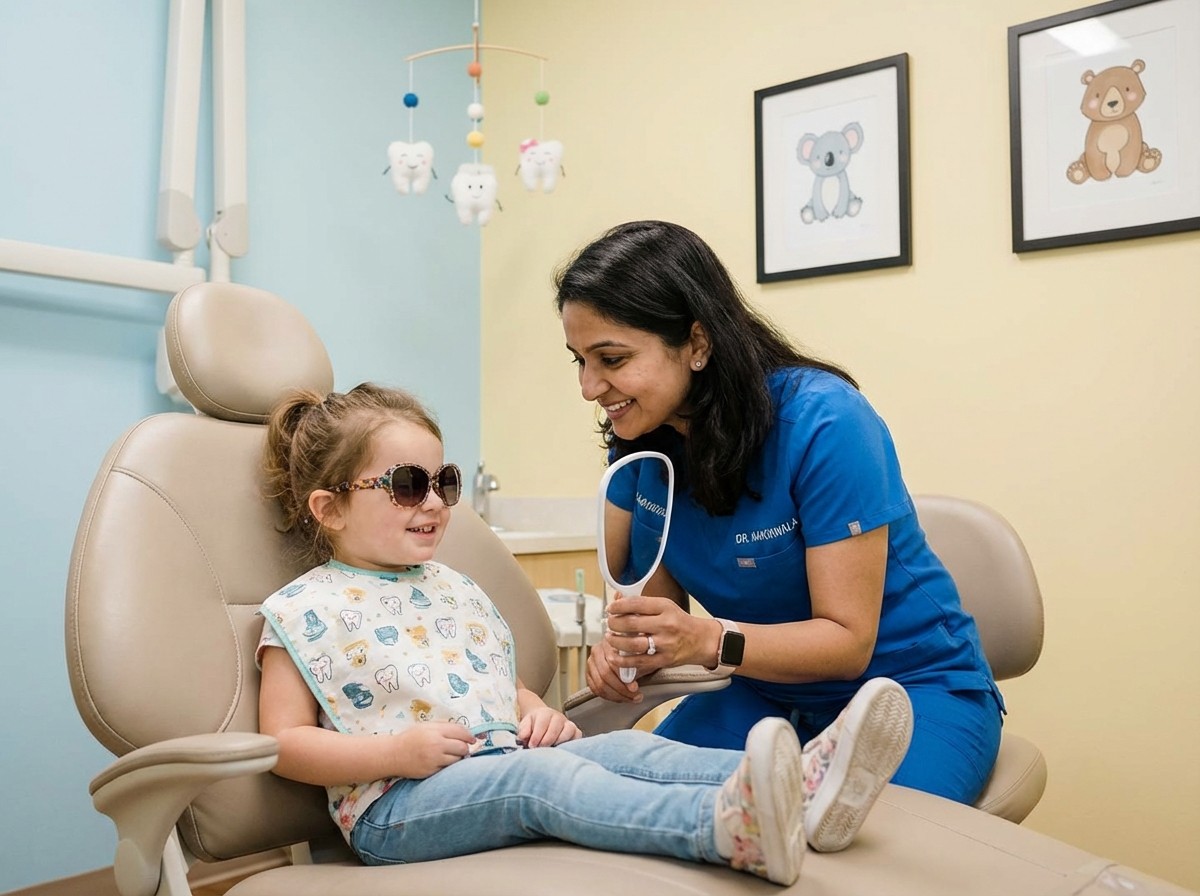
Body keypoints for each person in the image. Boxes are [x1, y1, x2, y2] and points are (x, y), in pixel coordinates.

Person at [255, 381, 914, 885]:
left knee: (629, 753)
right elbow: (282, 744)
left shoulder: (447, 586)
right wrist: (392, 755)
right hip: (395, 809)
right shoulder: (302, 610)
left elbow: (480, 680)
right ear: (330, 507)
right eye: (407, 485)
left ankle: (804, 786)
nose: (433, 500)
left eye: (443, 482)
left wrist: (535, 712)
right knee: (544, 787)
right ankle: (725, 830)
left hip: (494, 766)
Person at [555, 220, 1004, 807]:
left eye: (611, 358)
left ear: (696, 343)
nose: (591, 387)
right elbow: (659, 615)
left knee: (850, 851)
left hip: (907, 690)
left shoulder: (825, 422)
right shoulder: (642, 446)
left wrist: (709, 639)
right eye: (579, 361)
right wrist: (629, 651)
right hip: (764, 694)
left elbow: (847, 644)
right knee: (620, 798)